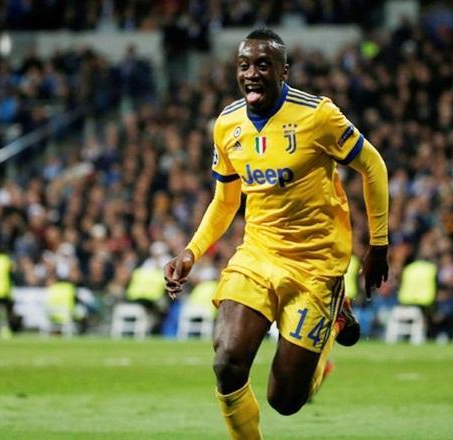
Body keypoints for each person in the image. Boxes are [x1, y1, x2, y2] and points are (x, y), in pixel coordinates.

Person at [164, 28, 389, 439]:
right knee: (227, 362)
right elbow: (226, 201)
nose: (252, 73)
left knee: (285, 401)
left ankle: (331, 323)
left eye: (263, 65)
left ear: (284, 71)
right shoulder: (227, 124)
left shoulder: (317, 115)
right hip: (258, 255)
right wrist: (191, 253)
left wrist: (379, 244)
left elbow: (372, 166)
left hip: (316, 265)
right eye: (244, 65)